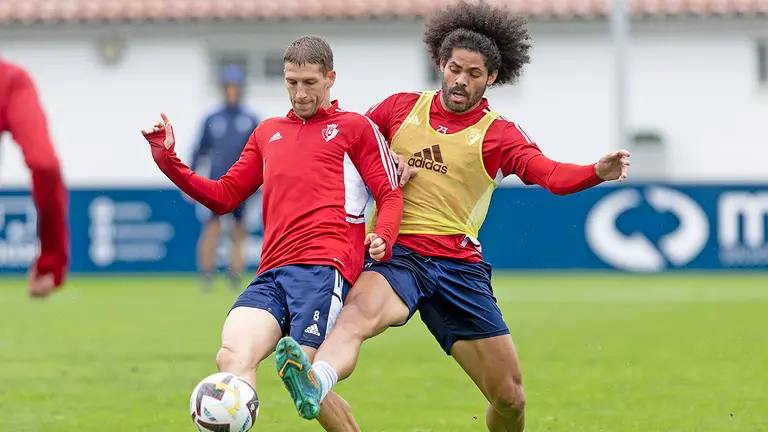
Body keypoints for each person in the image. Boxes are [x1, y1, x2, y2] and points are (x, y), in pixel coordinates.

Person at [274, 2, 632, 431]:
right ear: (440, 65)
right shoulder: (398, 109)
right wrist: (383, 164)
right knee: (355, 319)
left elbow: (550, 175)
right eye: (455, 68)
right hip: (396, 254)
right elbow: (345, 148)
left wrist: (596, 171)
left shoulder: (499, 134)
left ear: (492, 78)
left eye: (474, 73)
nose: (461, 80)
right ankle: (315, 381)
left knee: (510, 397)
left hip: (458, 267)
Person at [140, 35, 402, 432]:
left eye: (310, 83)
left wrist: (383, 234)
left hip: (323, 271)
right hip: (271, 273)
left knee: (303, 372)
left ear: (331, 78)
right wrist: (167, 159)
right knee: (231, 359)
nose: (299, 93)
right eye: (291, 82)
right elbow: (224, 196)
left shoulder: (355, 128)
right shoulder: (268, 133)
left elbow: (389, 193)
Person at [0, 59, 69, 298]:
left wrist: (51, 257)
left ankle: (48, 265)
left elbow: (45, 165)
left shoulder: (13, 79)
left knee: (45, 165)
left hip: (7, 82)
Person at [189, 64, 261, 291]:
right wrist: (189, 179)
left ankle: (235, 276)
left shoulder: (250, 119)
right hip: (215, 183)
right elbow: (199, 150)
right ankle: (207, 275)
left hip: (242, 184)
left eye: (235, 87)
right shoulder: (212, 118)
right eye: (228, 87)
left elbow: (261, 152)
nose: (232, 91)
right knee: (212, 228)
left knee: (239, 230)